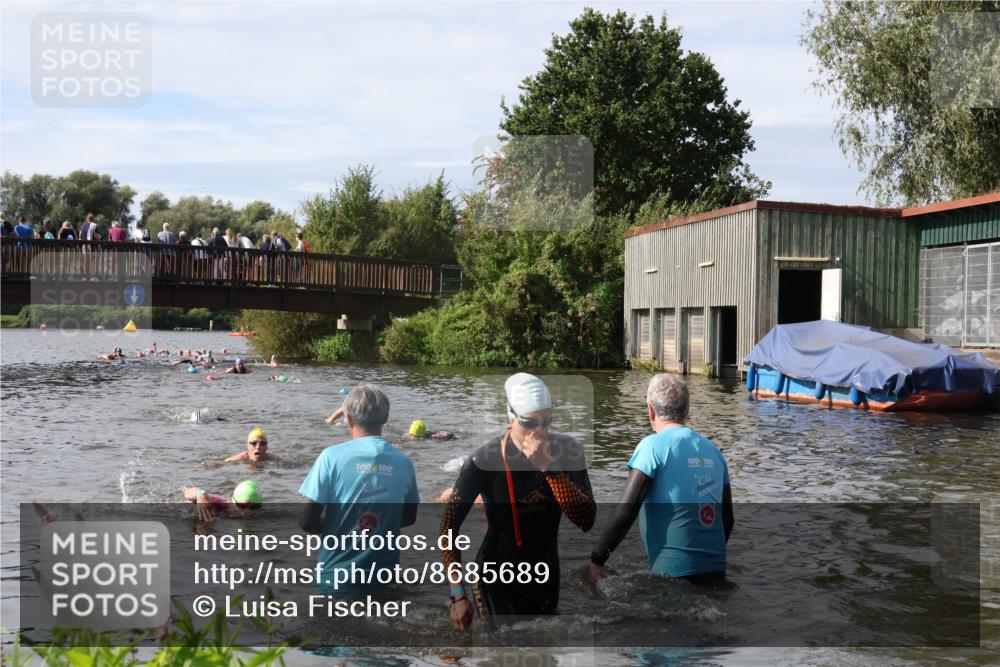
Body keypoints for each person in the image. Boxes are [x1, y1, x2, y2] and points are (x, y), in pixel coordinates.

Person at [442, 373, 595, 632]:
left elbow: (586, 520)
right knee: (503, 647)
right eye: (530, 422)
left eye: (547, 421)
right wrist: (457, 594)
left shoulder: (567, 451)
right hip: (493, 574)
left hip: (545, 572)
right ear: (511, 418)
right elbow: (448, 528)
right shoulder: (483, 461)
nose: (540, 431)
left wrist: (548, 466)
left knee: (544, 654)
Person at [587, 374, 734, 588]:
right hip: (716, 573)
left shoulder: (652, 447)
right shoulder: (714, 452)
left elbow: (626, 511)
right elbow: (727, 519)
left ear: (650, 409)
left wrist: (596, 561)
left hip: (671, 576)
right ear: (687, 409)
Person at [298, 385, 420, 593]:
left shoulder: (330, 457)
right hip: (384, 579)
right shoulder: (403, 462)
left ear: (347, 418)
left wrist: (341, 530)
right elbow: (408, 518)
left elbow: (307, 521)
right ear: (386, 417)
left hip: (335, 578)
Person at [183, 480, 263, 521]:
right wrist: (200, 494)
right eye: (243, 506)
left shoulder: (260, 514)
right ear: (234, 502)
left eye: (254, 507)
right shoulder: (220, 504)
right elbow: (186, 491)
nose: (248, 511)